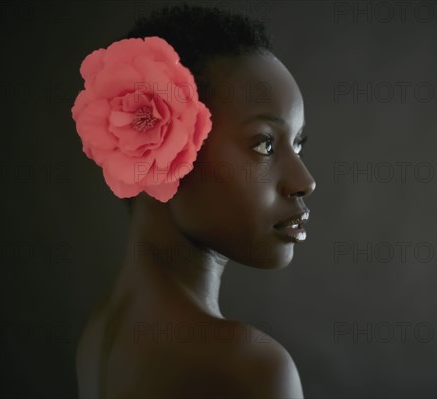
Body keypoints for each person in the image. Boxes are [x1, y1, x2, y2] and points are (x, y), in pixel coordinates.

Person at [72, 3, 316, 398]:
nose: (305, 181)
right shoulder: (252, 369)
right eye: (265, 143)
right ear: (157, 151)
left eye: (299, 144)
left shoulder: (102, 333)